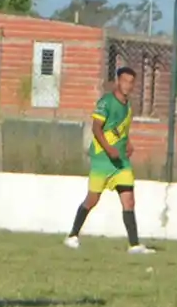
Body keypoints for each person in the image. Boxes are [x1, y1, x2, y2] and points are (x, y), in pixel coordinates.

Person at [65, 67, 155, 254]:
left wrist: (128, 144)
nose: (127, 85)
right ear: (117, 82)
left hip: (121, 162)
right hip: (102, 160)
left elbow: (121, 130)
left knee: (129, 200)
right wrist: (108, 149)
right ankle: (72, 235)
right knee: (92, 200)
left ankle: (134, 244)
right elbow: (96, 128)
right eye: (124, 81)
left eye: (131, 82)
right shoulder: (106, 102)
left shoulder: (128, 107)